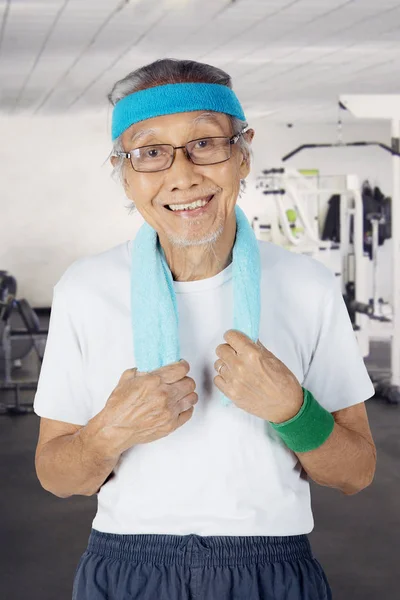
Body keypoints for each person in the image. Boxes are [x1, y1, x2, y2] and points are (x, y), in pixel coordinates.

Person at [33, 58, 377, 600]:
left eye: (205, 144)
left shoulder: (308, 285)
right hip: (128, 567)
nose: (183, 175)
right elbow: (57, 476)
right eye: (150, 153)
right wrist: (109, 432)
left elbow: (356, 472)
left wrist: (294, 411)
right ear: (124, 172)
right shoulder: (85, 288)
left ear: (243, 154)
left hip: (270, 566)